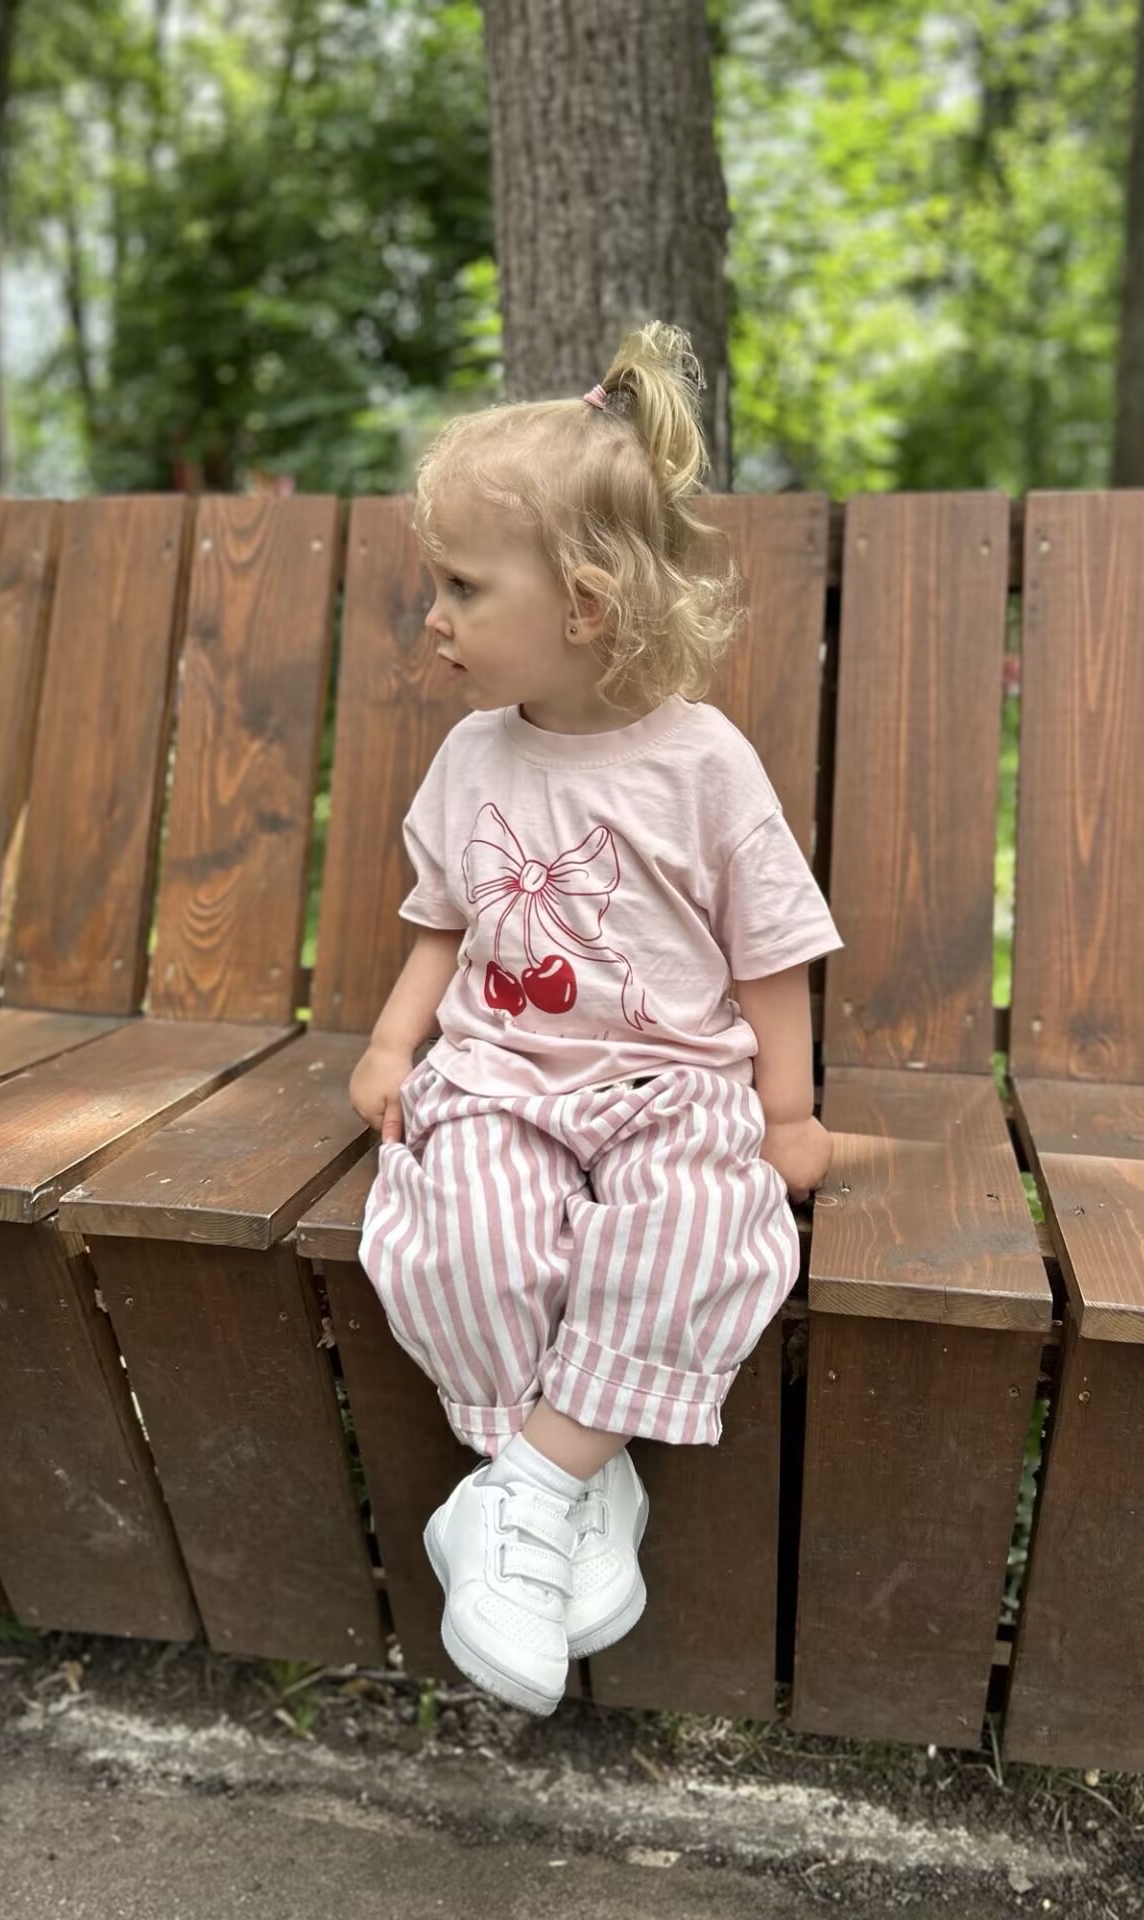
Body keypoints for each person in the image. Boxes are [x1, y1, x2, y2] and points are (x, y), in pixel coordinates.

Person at [350, 321, 841, 1717]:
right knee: (462, 1235)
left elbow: (771, 950)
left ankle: (512, 1496)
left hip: (670, 1084)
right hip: (501, 1073)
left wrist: (788, 1114)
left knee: (700, 1224)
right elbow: (444, 920)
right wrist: (392, 1045)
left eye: (462, 585)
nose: (434, 616)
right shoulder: (472, 756)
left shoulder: (700, 760)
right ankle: (574, 1480)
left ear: (581, 602)